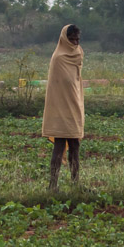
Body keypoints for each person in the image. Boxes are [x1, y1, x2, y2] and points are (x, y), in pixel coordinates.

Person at [42, 23, 84, 189]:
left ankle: (75, 183)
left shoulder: (78, 54)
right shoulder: (58, 58)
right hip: (60, 108)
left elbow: (75, 83)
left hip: (74, 106)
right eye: (72, 40)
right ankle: (52, 185)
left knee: (75, 145)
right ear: (65, 40)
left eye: (77, 39)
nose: (75, 43)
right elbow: (57, 87)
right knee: (59, 145)